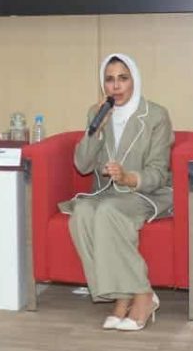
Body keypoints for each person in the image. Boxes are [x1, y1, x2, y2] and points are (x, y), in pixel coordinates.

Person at [63, 53, 173, 331]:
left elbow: (158, 172)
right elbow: (82, 165)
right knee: (82, 212)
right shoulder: (97, 113)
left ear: (134, 80)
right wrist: (96, 131)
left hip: (145, 193)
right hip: (106, 193)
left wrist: (127, 178)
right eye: (109, 79)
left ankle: (143, 295)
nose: (115, 86)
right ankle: (122, 295)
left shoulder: (156, 116)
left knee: (108, 212)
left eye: (123, 78)